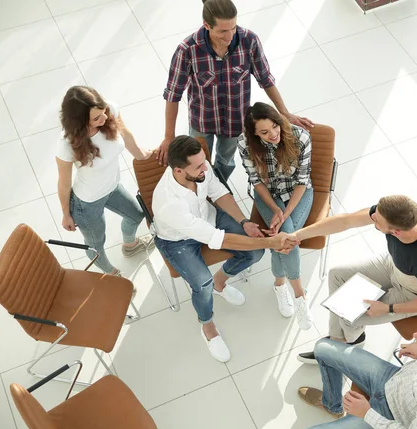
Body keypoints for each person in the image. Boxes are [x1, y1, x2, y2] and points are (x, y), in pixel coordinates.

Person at [152, 135, 298, 362]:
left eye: (204, 161)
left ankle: (220, 282)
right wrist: (270, 242)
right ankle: (207, 326)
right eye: (199, 166)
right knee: (202, 284)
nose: (205, 167)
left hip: (208, 219)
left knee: (254, 253)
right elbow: (218, 239)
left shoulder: (199, 169)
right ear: (179, 171)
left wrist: (243, 222)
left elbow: (218, 193)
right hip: (177, 240)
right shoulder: (169, 204)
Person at [156, 0, 313, 181]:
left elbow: (265, 79)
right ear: (207, 25)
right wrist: (169, 136)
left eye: (233, 28)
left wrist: (284, 113)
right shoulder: (187, 50)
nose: (230, 36)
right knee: (198, 162)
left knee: (226, 161)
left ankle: (219, 187)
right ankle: (205, 189)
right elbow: (173, 95)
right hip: (202, 120)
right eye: (223, 31)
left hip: (235, 120)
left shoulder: (249, 41)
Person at [293, 195, 417, 363]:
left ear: (396, 232)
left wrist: (388, 308)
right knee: (336, 275)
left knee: (348, 315)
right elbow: (346, 221)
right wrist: (297, 235)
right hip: (394, 266)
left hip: (415, 292)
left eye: (377, 220)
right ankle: (339, 341)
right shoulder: (403, 211)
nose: (372, 217)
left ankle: (342, 346)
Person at [299, 322, 417, 429]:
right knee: (322, 348)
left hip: (390, 415)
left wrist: (366, 413)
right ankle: (332, 405)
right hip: (392, 379)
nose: (414, 333)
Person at [56, 86, 154, 276]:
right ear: (80, 121)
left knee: (136, 215)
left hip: (112, 187)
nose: (104, 119)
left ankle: (130, 245)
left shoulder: (109, 110)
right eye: (96, 118)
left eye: (103, 113)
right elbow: (64, 183)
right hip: (87, 202)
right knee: (95, 245)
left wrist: (142, 155)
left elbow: (125, 134)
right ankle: (110, 274)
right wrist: (66, 214)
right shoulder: (66, 143)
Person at [238, 102, 314, 330]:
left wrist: (285, 213)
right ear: (254, 134)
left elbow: (302, 182)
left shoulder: (300, 137)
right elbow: (257, 182)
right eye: (264, 132)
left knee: (283, 236)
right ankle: (300, 295)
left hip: (298, 193)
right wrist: (275, 209)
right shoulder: (244, 144)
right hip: (268, 196)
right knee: (287, 236)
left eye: (274, 127)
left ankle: (281, 284)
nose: (272, 134)